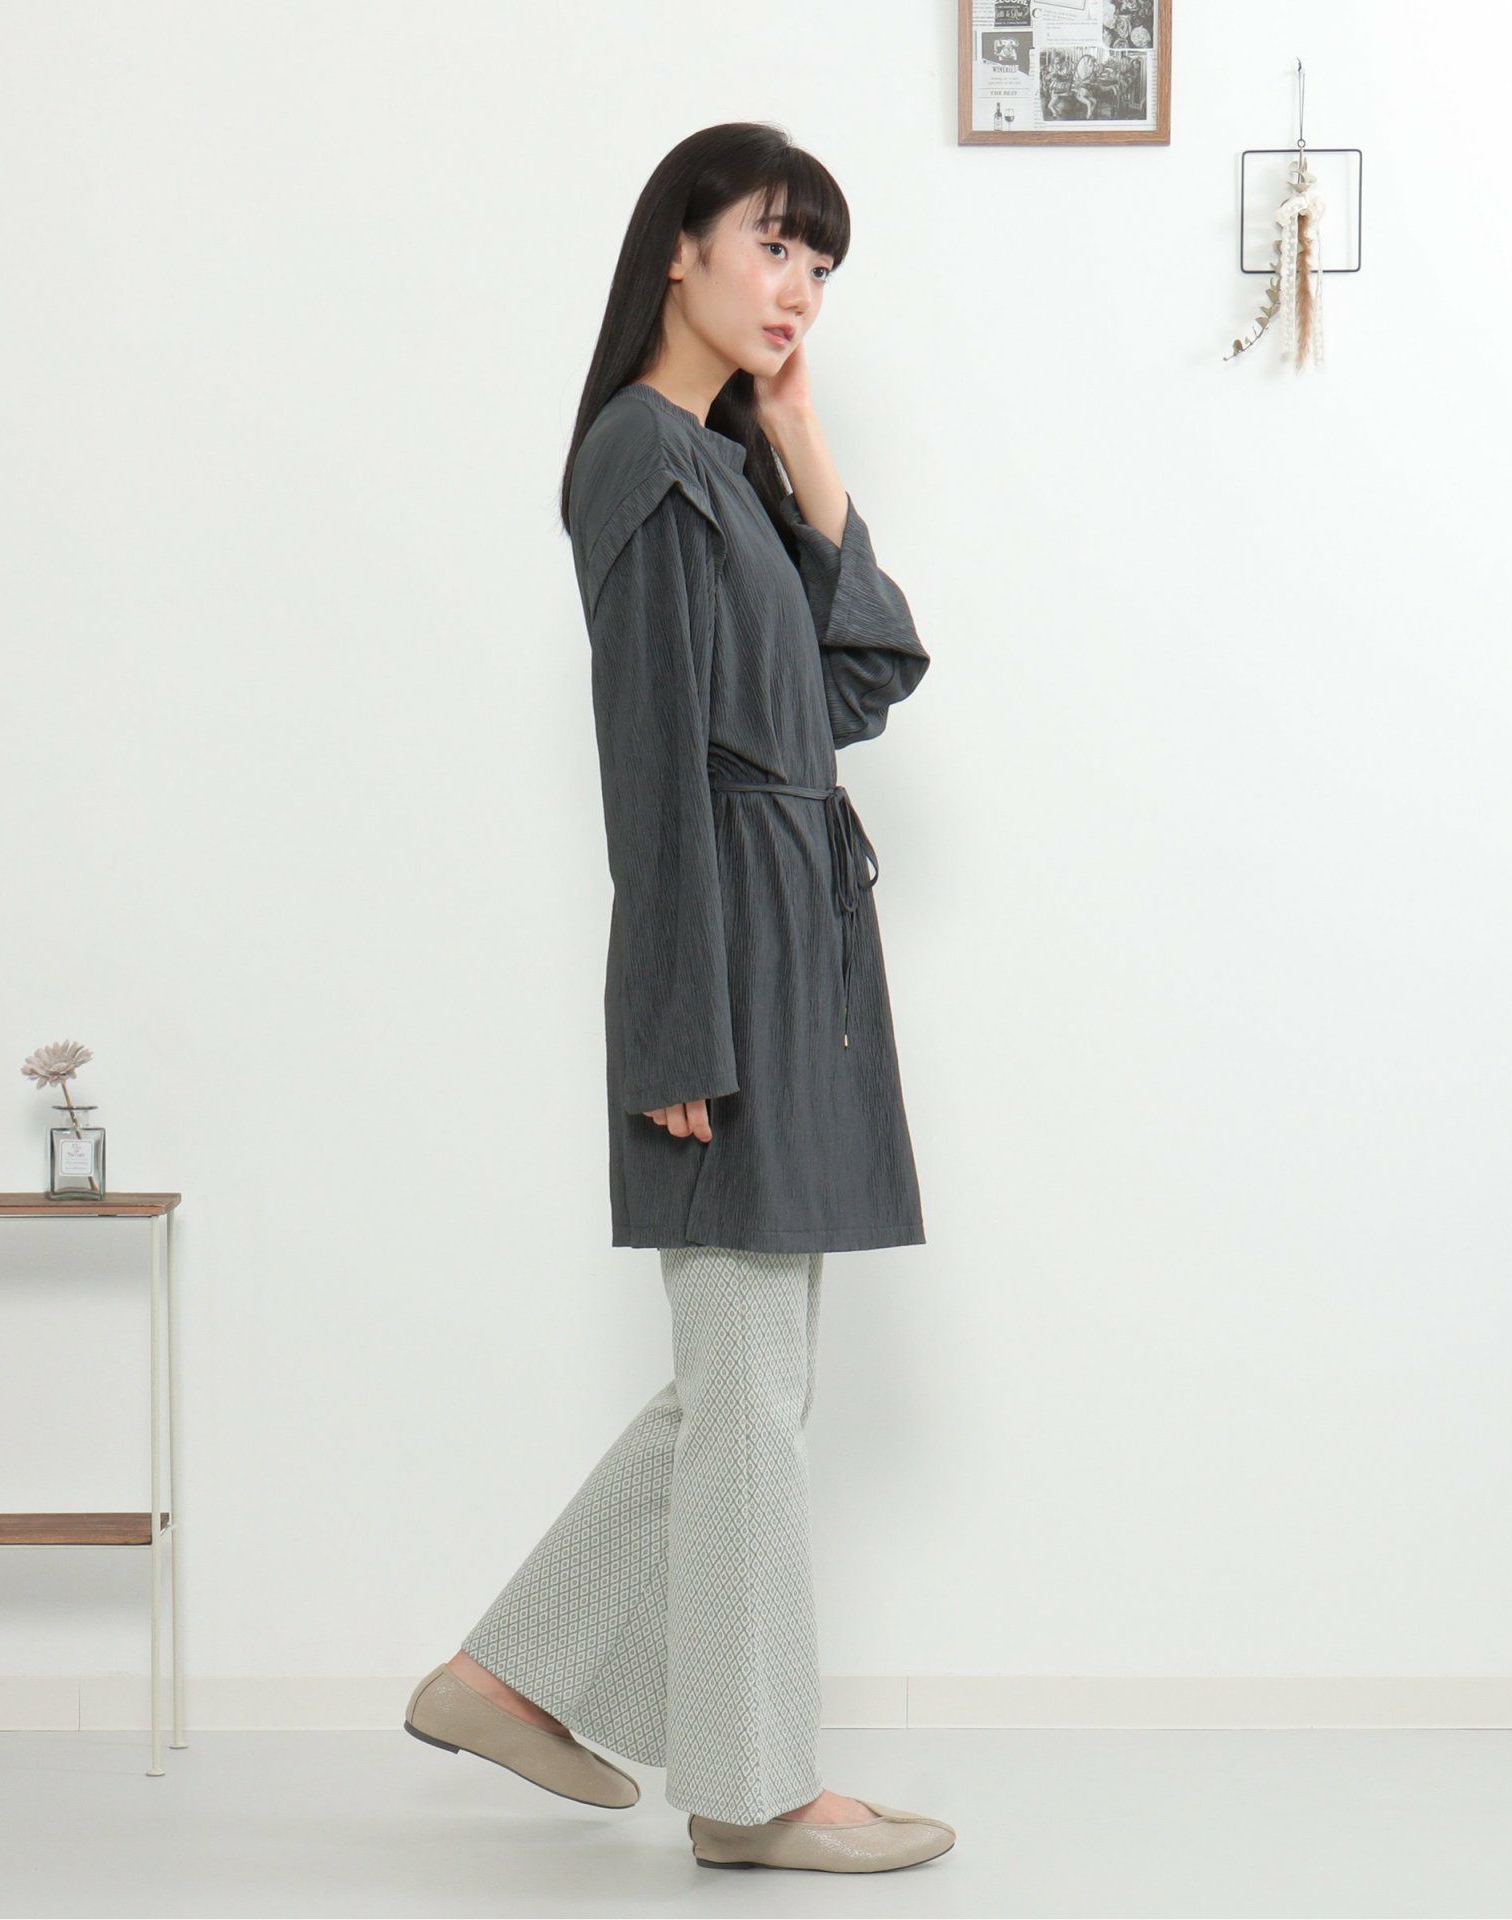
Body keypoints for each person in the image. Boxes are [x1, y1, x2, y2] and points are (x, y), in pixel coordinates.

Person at [405, 121, 952, 1875]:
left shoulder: (721, 462)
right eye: (773, 247)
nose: (798, 291)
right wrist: (672, 1030)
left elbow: (863, 674)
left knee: (746, 1388)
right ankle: (752, 1785)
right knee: (749, 1400)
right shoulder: (640, 458)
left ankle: (508, 1677)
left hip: (795, 947)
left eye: (821, 267)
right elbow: (649, 763)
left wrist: (801, 437)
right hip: (723, 957)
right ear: (680, 249)